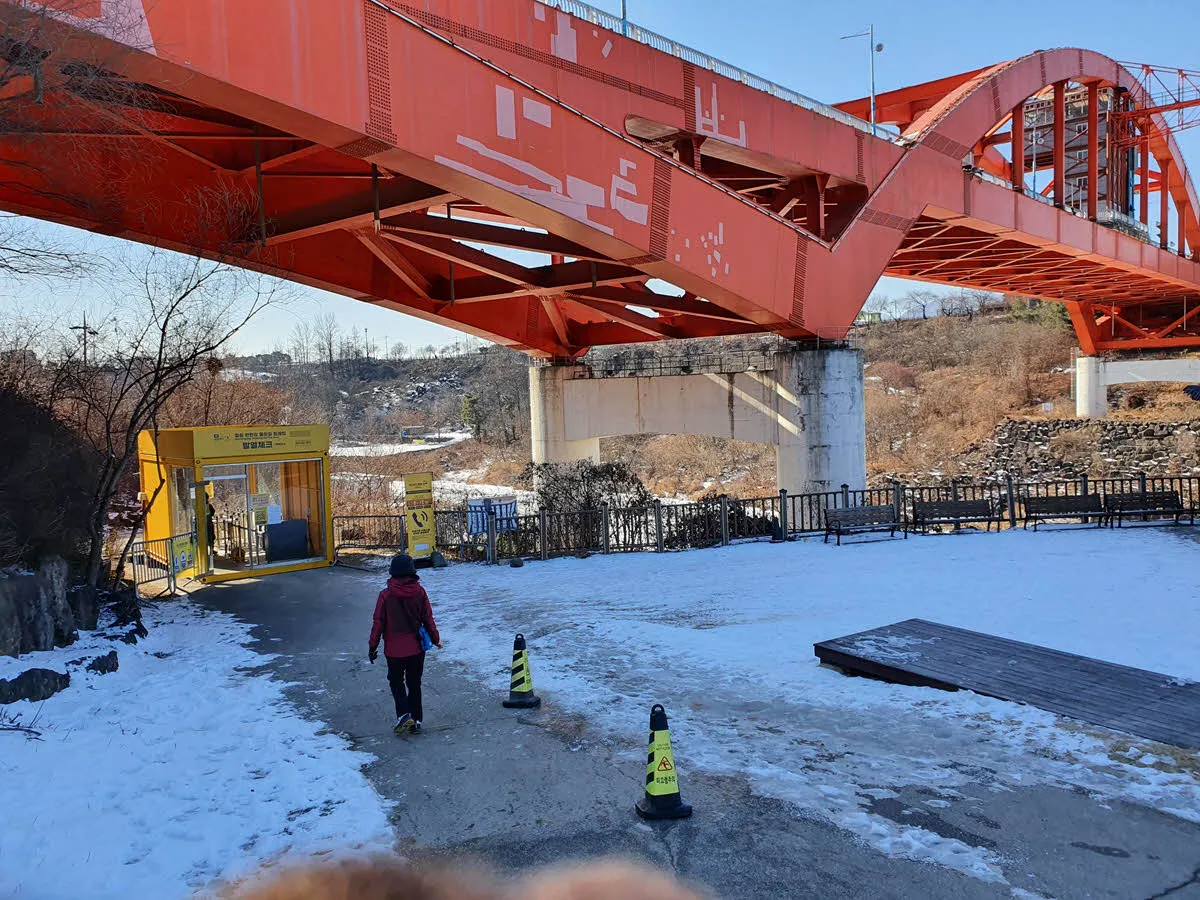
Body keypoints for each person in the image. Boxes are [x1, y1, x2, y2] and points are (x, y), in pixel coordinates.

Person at [369, 553, 442, 734]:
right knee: (414, 683)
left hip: (394, 651)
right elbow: (428, 618)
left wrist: (372, 647)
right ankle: (417, 720)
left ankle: (403, 715)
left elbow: (378, 623)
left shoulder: (385, 596)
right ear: (412, 572)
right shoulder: (420, 592)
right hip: (416, 648)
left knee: (396, 682)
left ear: (393, 572)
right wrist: (435, 638)